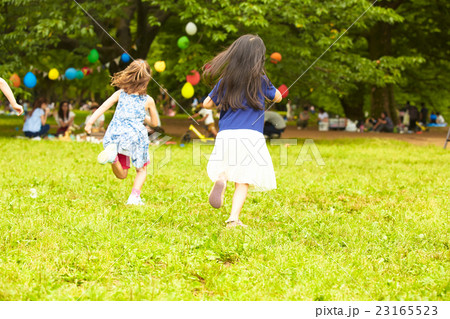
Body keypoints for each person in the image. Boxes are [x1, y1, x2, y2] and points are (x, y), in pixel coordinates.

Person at [202, 34, 282, 228]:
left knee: (227, 168)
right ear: (258, 58)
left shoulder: (226, 80)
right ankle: (233, 219)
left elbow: (206, 103)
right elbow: (278, 97)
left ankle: (221, 178)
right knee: (243, 180)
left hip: (226, 134)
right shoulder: (261, 79)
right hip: (251, 135)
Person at [85, 59, 159, 205]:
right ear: (147, 79)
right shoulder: (148, 100)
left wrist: (89, 122)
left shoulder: (120, 94)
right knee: (141, 170)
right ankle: (134, 197)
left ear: (129, 74)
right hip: (134, 137)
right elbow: (155, 123)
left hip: (116, 135)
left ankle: (113, 158)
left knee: (122, 175)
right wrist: (145, 116)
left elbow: (104, 106)